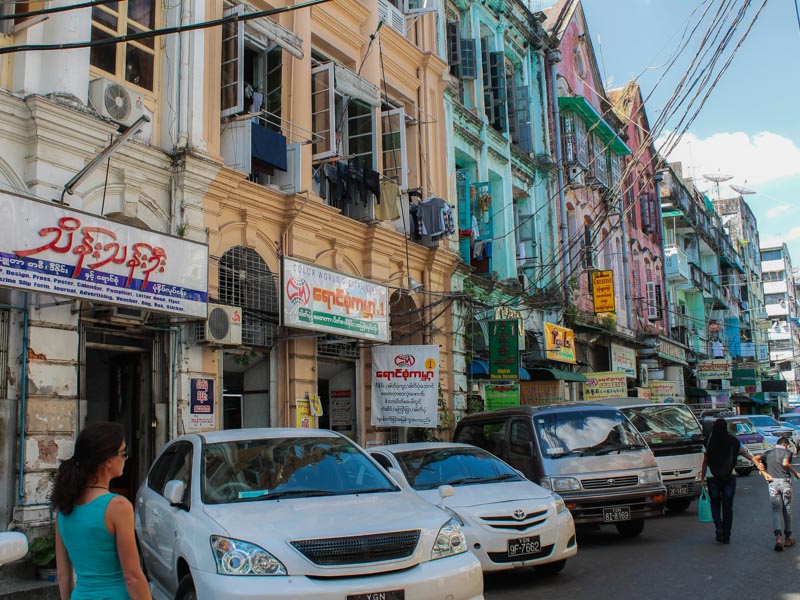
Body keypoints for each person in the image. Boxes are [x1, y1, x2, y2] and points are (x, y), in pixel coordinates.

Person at [51, 422, 151, 600]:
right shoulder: (118, 507)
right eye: (123, 453)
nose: (126, 458)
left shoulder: (63, 508)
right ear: (108, 460)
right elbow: (133, 577)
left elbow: (63, 575)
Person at [700, 418, 757, 544]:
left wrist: (702, 478)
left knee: (715, 504)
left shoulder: (708, 441)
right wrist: (756, 462)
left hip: (712, 477)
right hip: (729, 476)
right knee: (727, 506)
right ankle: (727, 535)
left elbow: (705, 461)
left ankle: (719, 528)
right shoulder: (733, 440)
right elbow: (745, 452)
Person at [753, 436, 800, 551]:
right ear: (786, 445)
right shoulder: (787, 452)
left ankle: (778, 538)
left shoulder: (769, 452)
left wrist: (762, 470)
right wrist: (795, 473)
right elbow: (785, 463)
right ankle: (788, 538)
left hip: (772, 483)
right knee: (787, 509)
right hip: (785, 483)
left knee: (776, 510)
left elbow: (755, 458)